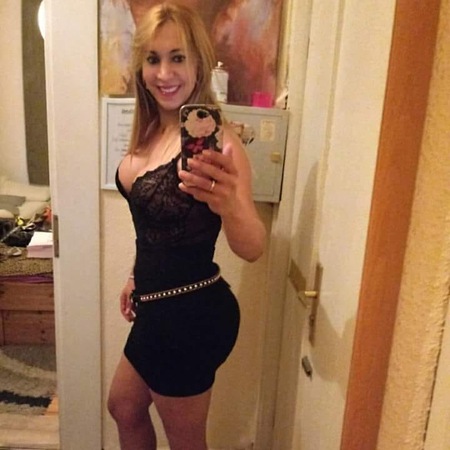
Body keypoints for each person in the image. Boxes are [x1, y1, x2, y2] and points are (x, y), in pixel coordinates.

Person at [106, 3, 266, 450]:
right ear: (141, 68)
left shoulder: (220, 144)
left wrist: (230, 206)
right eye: (153, 59)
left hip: (191, 314)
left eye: (177, 57)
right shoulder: (150, 132)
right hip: (157, 306)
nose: (164, 73)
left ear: (198, 63)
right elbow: (156, 227)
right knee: (124, 406)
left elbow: (253, 246)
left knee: (186, 442)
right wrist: (136, 275)